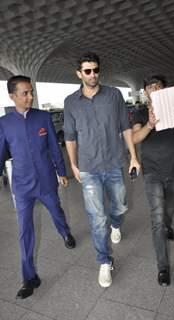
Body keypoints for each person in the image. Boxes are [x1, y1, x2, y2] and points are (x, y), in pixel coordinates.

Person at [64, 52, 140, 288]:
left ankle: (116, 224)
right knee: (97, 218)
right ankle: (104, 261)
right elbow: (70, 136)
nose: (92, 74)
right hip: (88, 169)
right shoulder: (70, 102)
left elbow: (126, 127)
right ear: (79, 73)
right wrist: (74, 165)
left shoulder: (114, 95)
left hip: (114, 162)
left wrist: (134, 158)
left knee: (120, 206)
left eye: (95, 69)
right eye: (87, 70)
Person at [0, 75, 76, 299]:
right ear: (12, 96)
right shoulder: (4, 124)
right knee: (24, 231)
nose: (30, 97)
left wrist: (62, 172)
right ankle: (29, 277)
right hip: (22, 186)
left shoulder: (43, 118)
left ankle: (65, 233)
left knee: (56, 211)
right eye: (25, 93)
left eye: (31, 92)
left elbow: (54, 146)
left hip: (45, 181)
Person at [132, 75, 174, 286]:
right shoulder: (140, 113)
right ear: (145, 92)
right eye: (150, 86)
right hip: (152, 173)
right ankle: (163, 267)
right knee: (157, 219)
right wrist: (149, 124)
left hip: (173, 169)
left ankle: (167, 224)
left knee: (170, 208)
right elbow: (134, 138)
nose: (155, 88)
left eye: (159, 85)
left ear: (164, 89)